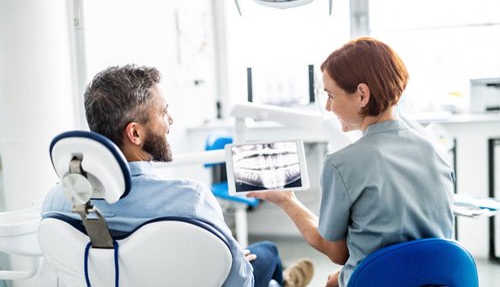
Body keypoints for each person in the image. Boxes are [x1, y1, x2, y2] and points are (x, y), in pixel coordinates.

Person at [41, 64, 314, 287]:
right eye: (163, 112)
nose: (171, 119)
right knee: (268, 254)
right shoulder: (190, 200)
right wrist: (234, 259)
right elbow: (238, 280)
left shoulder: (57, 200)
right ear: (135, 133)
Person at [248, 37, 454, 287]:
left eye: (331, 95)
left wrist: (286, 200)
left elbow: (337, 253)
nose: (327, 106)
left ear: (362, 95)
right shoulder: (436, 150)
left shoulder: (341, 164)